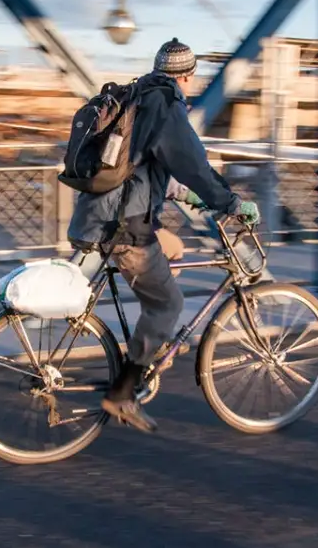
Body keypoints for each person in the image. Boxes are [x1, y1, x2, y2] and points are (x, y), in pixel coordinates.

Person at [67, 37, 260, 432]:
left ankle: (154, 348)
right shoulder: (166, 104)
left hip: (100, 215)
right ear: (187, 76)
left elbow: (147, 168)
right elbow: (192, 163)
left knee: (174, 249)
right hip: (124, 226)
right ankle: (122, 393)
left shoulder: (140, 95)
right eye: (192, 78)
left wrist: (191, 196)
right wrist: (229, 202)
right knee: (167, 305)